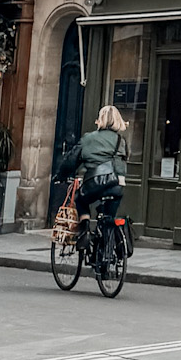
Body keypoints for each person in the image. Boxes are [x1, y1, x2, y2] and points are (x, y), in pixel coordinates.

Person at [55, 105, 128, 261]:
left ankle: (85, 229)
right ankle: (108, 257)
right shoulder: (121, 141)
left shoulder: (89, 138)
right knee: (109, 217)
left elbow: (71, 160)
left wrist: (60, 176)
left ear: (100, 119)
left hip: (96, 182)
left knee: (80, 199)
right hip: (117, 184)